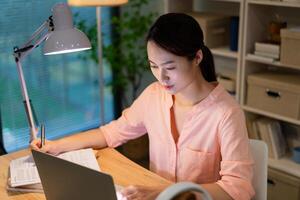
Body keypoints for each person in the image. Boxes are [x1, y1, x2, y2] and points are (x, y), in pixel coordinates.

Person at [31, 13, 254, 200]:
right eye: (154, 66)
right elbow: (111, 133)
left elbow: (237, 188)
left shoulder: (226, 113)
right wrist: (56, 145)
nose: (161, 76)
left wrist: (166, 191)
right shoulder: (155, 96)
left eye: (170, 67)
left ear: (196, 57)